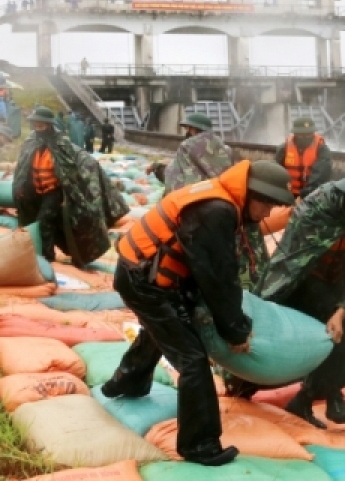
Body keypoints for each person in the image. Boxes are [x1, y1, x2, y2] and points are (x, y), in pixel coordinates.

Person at [99, 160, 292, 466]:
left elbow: (214, 270)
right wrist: (235, 330)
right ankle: (199, 445)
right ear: (252, 194)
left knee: (164, 331)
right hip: (144, 280)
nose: (269, 214)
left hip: (149, 273)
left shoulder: (221, 200)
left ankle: (126, 381)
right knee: (192, 359)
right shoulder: (215, 210)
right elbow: (216, 278)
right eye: (267, 205)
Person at [250, 167, 345, 427]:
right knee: (277, 334)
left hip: (339, 284)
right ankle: (246, 384)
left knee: (343, 335)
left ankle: (318, 396)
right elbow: (295, 257)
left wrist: (343, 308)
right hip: (303, 280)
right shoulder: (316, 210)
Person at [11, 106, 128, 265]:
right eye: (36, 125)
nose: (38, 128)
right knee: (32, 223)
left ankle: (47, 257)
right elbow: (22, 167)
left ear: (49, 125)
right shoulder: (31, 142)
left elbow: (71, 168)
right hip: (34, 191)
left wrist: (69, 193)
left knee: (44, 221)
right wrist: (20, 187)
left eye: (41, 125)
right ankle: (36, 255)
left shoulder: (61, 143)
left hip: (53, 192)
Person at [160, 113, 235, 192]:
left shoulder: (186, 146)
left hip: (195, 193)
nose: (187, 132)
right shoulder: (226, 148)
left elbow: (175, 176)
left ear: (194, 128)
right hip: (222, 190)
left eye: (188, 128)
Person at [274, 117, 333, 202]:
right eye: (302, 134)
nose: (305, 137)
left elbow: (321, 175)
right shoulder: (284, 148)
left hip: (313, 195)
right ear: (295, 133)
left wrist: (304, 195)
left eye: (309, 134)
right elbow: (277, 171)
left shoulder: (322, 149)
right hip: (287, 194)